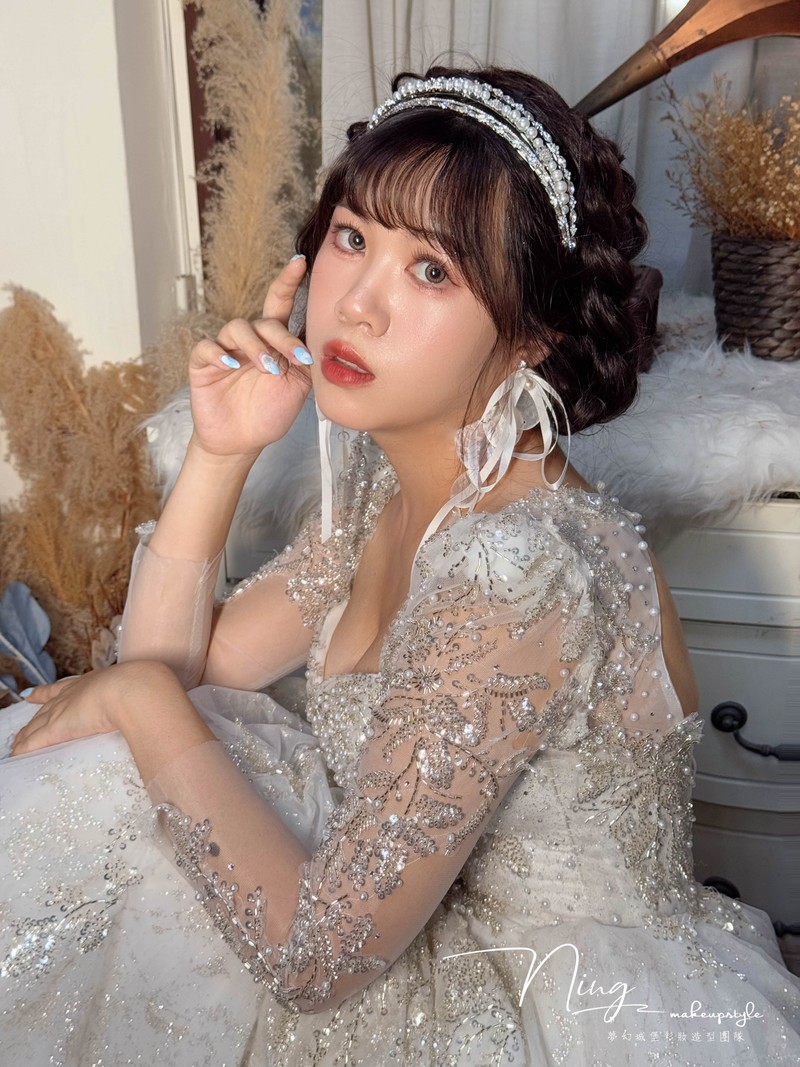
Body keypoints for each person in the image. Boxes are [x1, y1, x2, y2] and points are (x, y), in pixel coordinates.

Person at [2, 64, 799, 1066]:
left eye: (432, 271)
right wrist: (220, 450)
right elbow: (182, 667)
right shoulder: (395, 487)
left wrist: (135, 697)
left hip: (543, 1005)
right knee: (123, 765)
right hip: (394, 939)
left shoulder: (517, 571)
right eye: (352, 238)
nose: (359, 306)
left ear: (530, 334)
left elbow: (317, 956)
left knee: (129, 760)